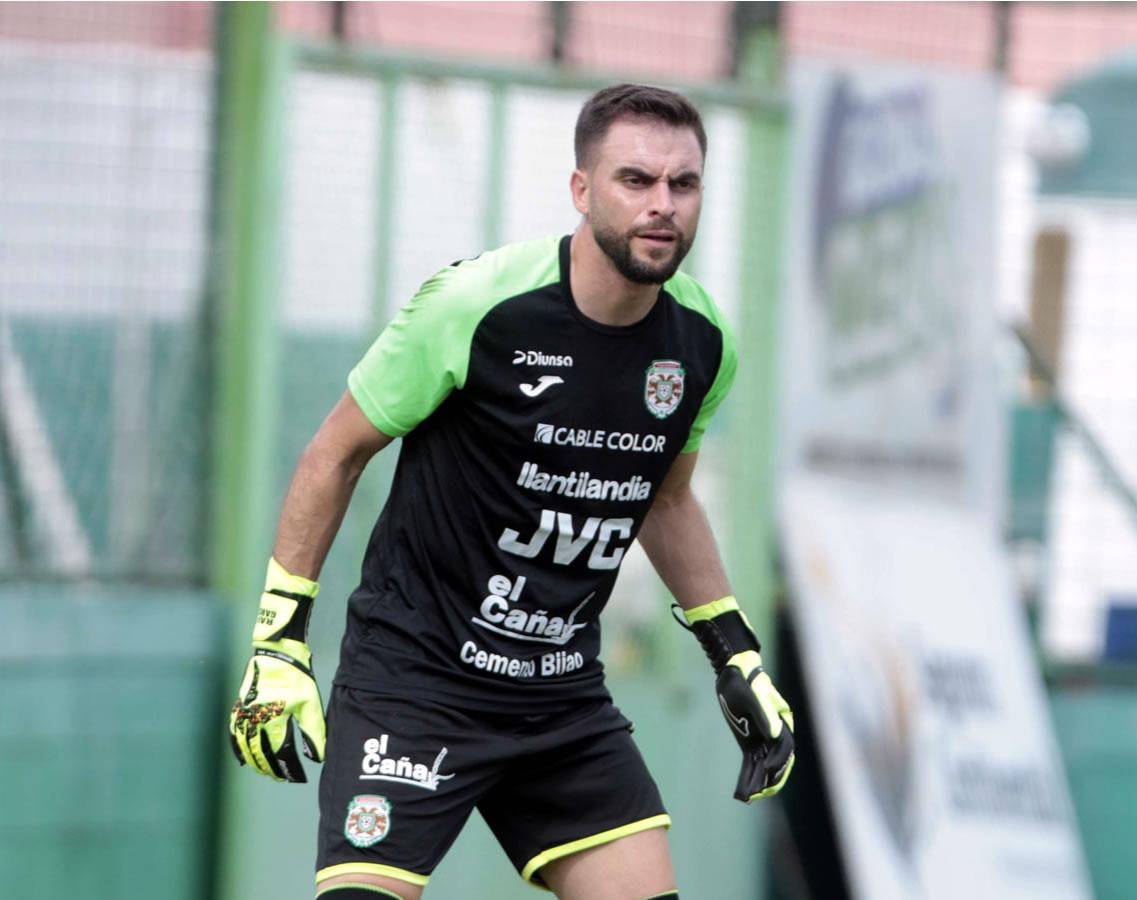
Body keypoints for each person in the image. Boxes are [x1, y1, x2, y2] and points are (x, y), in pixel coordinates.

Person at [228, 83, 794, 900]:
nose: (662, 205)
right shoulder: (476, 305)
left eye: (684, 184)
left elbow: (665, 501)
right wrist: (279, 643)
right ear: (581, 189)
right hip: (414, 685)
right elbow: (332, 455)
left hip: (559, 699)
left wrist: (733, 652)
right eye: (635, 180)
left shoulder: (703, 343)